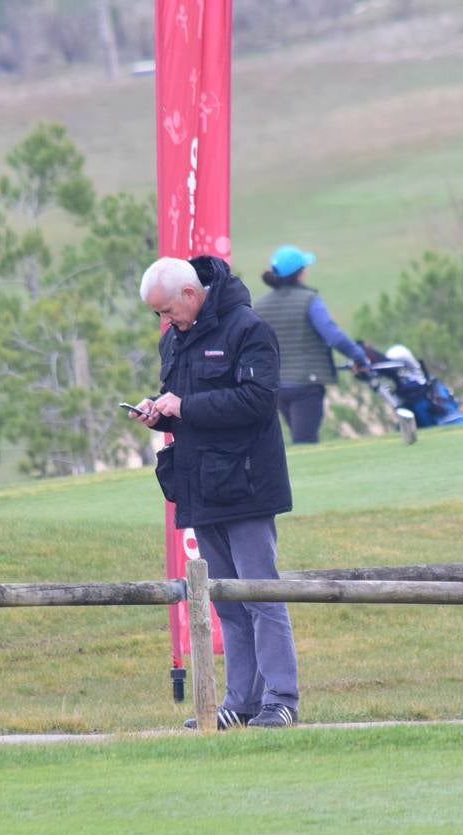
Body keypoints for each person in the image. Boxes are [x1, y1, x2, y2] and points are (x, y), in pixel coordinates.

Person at [129, 255, 300, 729]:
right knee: (224, 600)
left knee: (261, 595)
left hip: (247, 485)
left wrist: (184, 405)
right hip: (199, 486)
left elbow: (258, 400)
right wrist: (159, 413)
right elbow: (185, 408)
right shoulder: (176, 342)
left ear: (189, 294)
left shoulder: (249, 329)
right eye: (158, 315)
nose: (164, 322)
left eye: (166, 311)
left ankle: (281, 698)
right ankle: (238, 703)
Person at [253, 244, 370, 443]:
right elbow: (333, 336)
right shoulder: (309, 299)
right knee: (305, 441)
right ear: (300, 272)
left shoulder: (260, 304)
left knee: (299, 439)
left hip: (276, 386)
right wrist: (360, 357)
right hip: (306, 384)